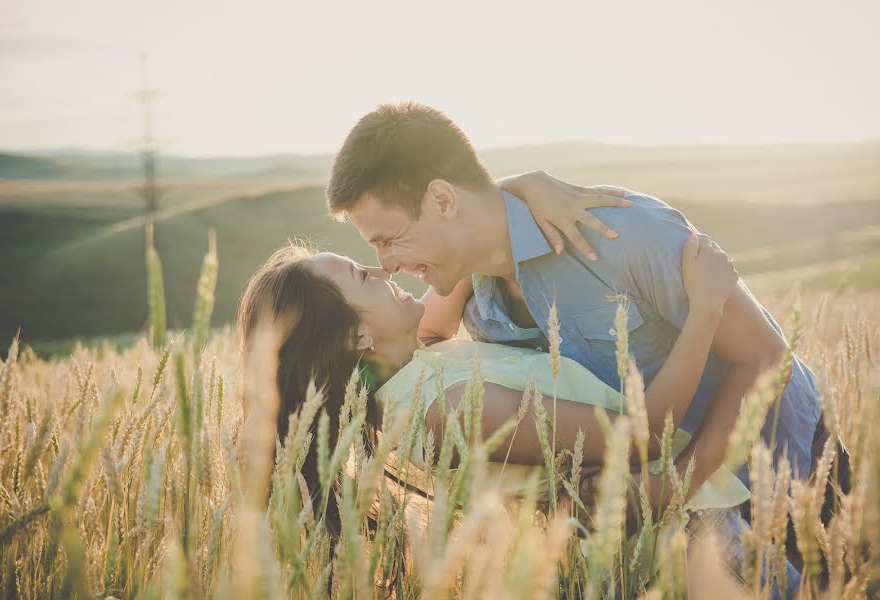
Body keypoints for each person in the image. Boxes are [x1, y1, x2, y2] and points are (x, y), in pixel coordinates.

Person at [236, 235, 797, 594]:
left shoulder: (413, 371)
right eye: (365, 277)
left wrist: (531, 188)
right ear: (357, 334)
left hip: (688, 512)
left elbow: (468, 240)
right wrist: (706, 308)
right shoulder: (441, 409)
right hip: (692, 540)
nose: (385, 272)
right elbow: (644, 435)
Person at [324, 102, 825, 499]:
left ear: (442, 200)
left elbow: (764, 356)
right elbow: (419, 344)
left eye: (389, 240)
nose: (386, 265)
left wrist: (677, 483)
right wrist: (521, 184)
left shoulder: (622, 233)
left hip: (787, 471)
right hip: (674, 528)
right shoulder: (463, 280)